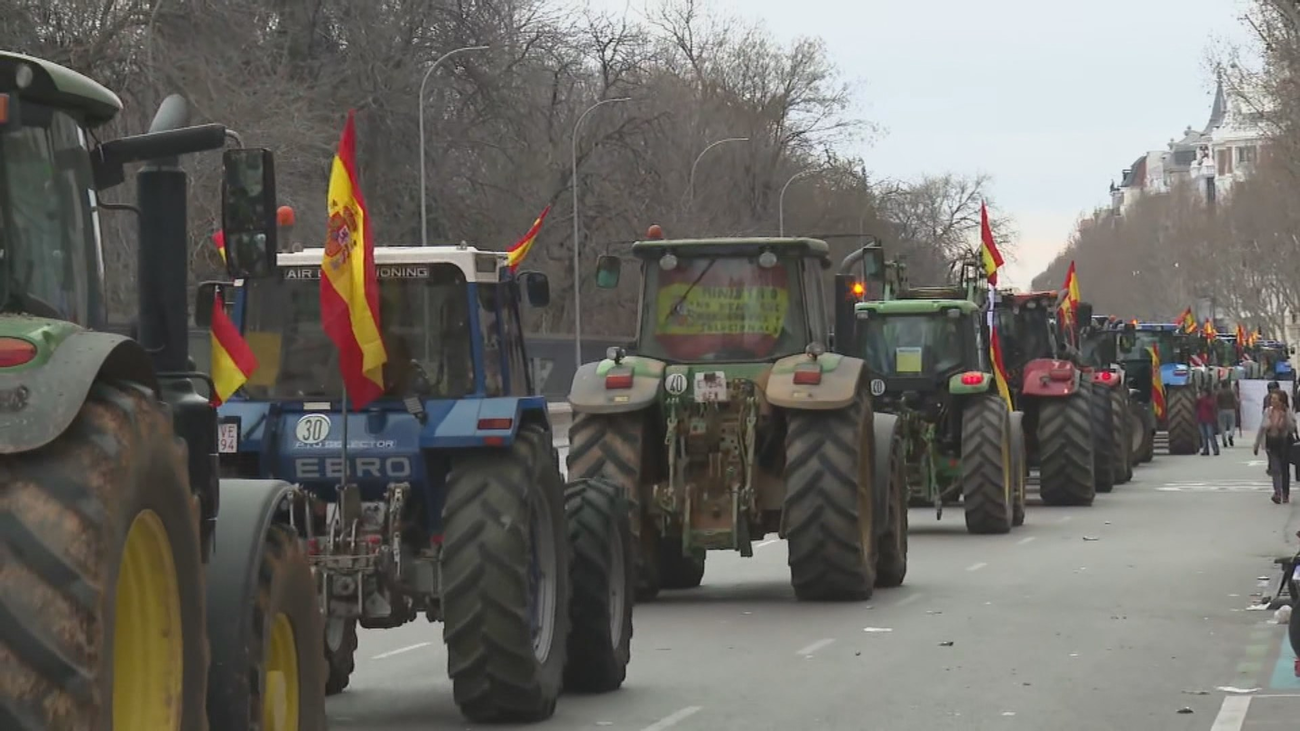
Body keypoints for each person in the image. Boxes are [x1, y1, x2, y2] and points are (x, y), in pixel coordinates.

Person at [1254, 390, 1297, 504]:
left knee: (1284, 469)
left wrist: (1285, 417)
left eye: (1275, 399)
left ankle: (1285, 493)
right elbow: (1261, 428)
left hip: (1284, 443)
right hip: (1271, 442)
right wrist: (1257, 443)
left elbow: (1292, 428)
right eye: (1271, 399)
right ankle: (1277, 492)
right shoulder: (1267, 412)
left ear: (1281, 401)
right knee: (1275, 469)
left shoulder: (1287, 412)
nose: (1272, 401)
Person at [1196, 387, 1221, 456]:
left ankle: (1215, 449)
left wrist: (1203, 399)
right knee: (1203, 436)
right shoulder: (1200, 400)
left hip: (1209, 419)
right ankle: (1205, 450)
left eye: (1204, 392)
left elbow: (1211, 405)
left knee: (1210, 435)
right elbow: (1195, 406)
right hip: (1201, 419)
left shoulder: (1210, 399)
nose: (1203, 394)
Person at [1216, 381, 1238, 448]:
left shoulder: (1219, 393)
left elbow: (1217, 401)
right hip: (1231, 409)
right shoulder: (1231, 392)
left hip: (1222, 410)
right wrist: (1236, 408)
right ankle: (1230, 435)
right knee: (1232, 425)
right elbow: (1235, 400)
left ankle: (1224, 439)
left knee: (1223, 426)